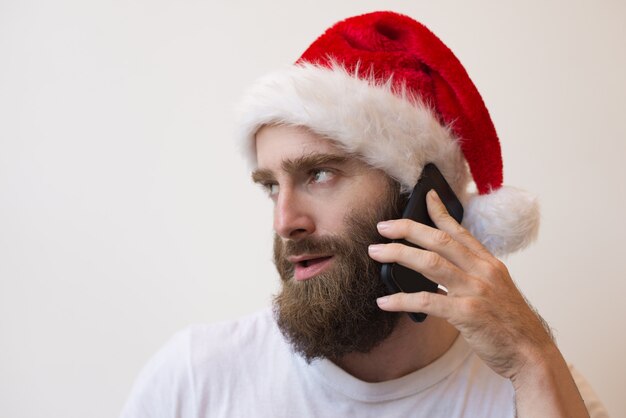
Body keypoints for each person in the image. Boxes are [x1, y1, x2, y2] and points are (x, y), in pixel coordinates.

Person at [120, 11, 609, 417]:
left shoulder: (537, 392)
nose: (285, 220)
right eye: (271, 186)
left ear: (423, 196)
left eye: (319, 174)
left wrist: (532, 357)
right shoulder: (192, 381)